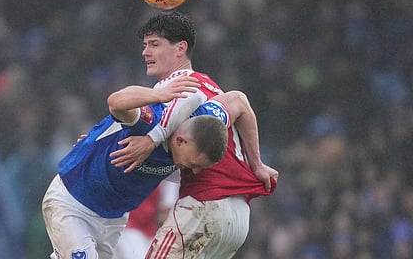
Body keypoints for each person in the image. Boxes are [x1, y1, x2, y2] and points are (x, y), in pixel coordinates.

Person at [109, 11, 279, 258]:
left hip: (205, 203)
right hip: (237, 215)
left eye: (154, 45)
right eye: (145, 45)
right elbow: (240, 102)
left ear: (181, 48)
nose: (145, 52)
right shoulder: (207, 84)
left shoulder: (178, 88)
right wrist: (257, 164)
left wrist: (141, 141)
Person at [42, 75, 261, 259]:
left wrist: (257, 165)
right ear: (181, 140)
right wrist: (159, 95)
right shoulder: (150, 121)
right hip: (73, 202)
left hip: (113, 218)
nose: (193, 172)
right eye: (193, 164)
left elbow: (239, 100)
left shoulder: (207, 123)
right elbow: (116, 101)